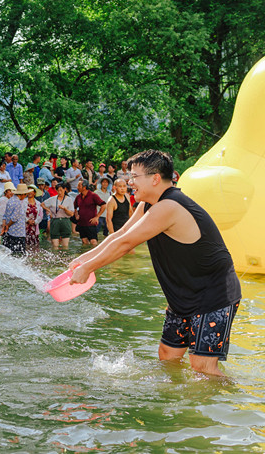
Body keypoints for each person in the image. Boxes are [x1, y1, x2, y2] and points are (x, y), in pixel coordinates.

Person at [69, 150, 242, 376]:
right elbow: (119, 235)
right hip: (184, 295)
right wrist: (83, 260)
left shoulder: (169, 206)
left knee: (202, 367)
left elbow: (126, 244)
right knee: (168, 356)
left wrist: (89, 268)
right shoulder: (149, 204)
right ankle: (177, 405)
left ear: (155, 178)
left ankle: (229, 401)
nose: (129, 182)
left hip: (213, 296)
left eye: (134, 177)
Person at [74, 180, 106, 246]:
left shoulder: (93, 195)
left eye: (79, 186)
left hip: (91, 223)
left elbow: (103, 205)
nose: (77, 187)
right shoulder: (78, 197)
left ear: (84, 187)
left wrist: (97, 217)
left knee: (93, 242)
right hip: (81, 224)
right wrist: (76, 215)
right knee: (84, 242)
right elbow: (75, 207)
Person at [43, 183, 74, 249]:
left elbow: (71, 214)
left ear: (64, 189)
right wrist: (48, 210)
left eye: (61, 190)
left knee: (65, 245)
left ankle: (65, 257)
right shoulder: (52, 199)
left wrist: (65, 209)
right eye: (58, 190)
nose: (59, 192)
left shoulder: (69, 199)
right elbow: (42, 204)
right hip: (55, 221)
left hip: (65, 221)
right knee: (55, 245)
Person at [1, 183, 31, 254]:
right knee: (19, 255)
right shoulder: (18, 203)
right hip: (18, 233)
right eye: (25, 194)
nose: (26, 196)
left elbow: (5, 215)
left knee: (9, 254)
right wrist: (8, 225)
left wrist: (5, 226)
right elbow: (14, 218)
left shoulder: (10, 200)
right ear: (22, 194)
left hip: (9, 233)